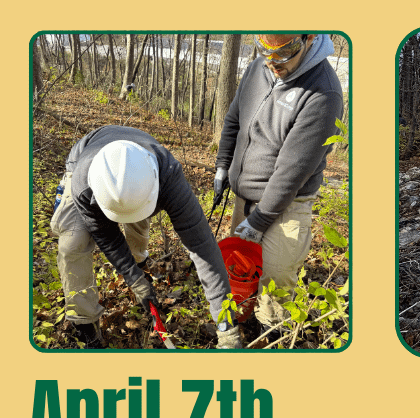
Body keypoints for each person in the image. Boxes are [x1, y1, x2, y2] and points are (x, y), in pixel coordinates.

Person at [50, 126, 241, 349]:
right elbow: (107, 237)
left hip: (143, 172)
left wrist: (226, 324)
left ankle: (139, 261)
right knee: (72, 244)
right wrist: (134, 280)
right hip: (85, 160)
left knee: (137, 224)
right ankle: (85, 323)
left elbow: (203, 247)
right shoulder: (84, 185)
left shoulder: (170, 177)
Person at [214, 34, 345, 335]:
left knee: (274, 286)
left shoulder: (322, 93)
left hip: (286, 207)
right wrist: (223, 167)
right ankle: (243, 327)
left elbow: (292, 172)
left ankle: (275, 338)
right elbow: (234, 120)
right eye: (266, 51)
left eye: (285, 52)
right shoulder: (258, 68)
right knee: (242, 275)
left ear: (308, 39)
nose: (273, 62)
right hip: (243, 199)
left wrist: (259, 221)